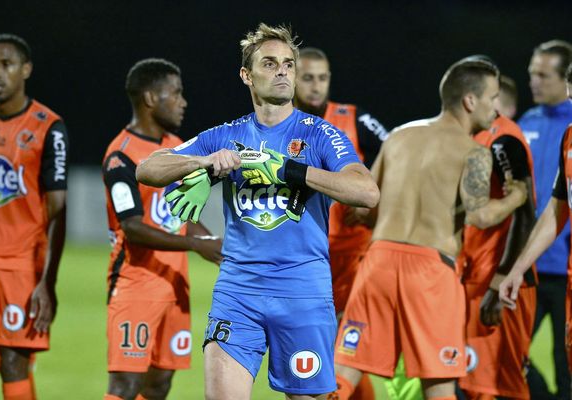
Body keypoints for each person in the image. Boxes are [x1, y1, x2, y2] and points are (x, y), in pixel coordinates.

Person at [136, 23, 379, 400]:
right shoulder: (226, 135)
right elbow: (147, 168)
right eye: (269, 63)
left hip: (303, 293)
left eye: (288, 64)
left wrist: (290, 170)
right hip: (238, 292)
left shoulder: (320, 134)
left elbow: (366, 191)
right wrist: (204, 163)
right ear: (246, 75)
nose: (282, 71)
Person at [332, 57, 528, 400]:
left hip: (377, 264)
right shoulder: (473, 152)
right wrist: (516, 197)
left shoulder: (399, 136)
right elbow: (479, 216)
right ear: (470, 100)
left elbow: (367, 203)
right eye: (492, 97)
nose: (496, 108)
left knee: (344, 373)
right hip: (430, 272)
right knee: (438, 384)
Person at [101, 58, 223, 400]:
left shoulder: (176, 148)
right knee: (125, 386)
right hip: (135, 284)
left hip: (174, 285)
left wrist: (215, 243)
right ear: (151, 98)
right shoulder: (120, 156)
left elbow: (181, 213)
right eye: (176, 93)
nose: (183, 102)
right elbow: (134, 228)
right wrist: (195, 246)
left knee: (160, 384)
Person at [0, 34, 68, 400]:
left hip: (20, 265)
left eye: (6, 64)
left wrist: (48, 282)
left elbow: (59, 210)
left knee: (13, 361)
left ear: (25, 70)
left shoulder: (49, 127)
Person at [294, 46, 388, 400]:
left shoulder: (355, 119)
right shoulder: (281, 125)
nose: (316, 86)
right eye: (308, 78)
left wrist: (370, 192)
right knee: (328, 351)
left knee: (340, 346)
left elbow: (398, 150)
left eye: (322, 78)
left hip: (354, 257)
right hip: (305, 260)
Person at [457, 63, 538, 399]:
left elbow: (525, 213)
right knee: (476, 384)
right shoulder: (476, 138)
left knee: (501, 385)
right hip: (475, 274)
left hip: (499, 281)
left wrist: (499, 279)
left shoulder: (504, 140)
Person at [500, 62, 572, 400]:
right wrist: (517, 267)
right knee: (522, 357)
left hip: (561, 268)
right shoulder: (565, 137)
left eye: (544, 75)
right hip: (548, 270)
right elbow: (557, 206)